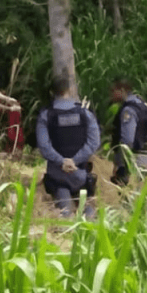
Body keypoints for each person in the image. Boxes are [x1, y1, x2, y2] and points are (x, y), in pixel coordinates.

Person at [36, 76, 100, 218]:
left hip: (57, 175)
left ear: (52, 92)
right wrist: (75, 160)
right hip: (80, 175)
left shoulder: (46, 115)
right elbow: (94, 142)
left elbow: (44, 146)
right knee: (88, 209)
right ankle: (91, 224)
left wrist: (62, 161)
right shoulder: (85, 114)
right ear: (71, 90)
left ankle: (65, 221)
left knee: (63, 209)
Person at [109, 79, 147, 186]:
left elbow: (127, 140)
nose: (111, 95)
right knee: (141, 195)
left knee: (128, 195)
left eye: (113, 91)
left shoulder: (129, 109)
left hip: (132, 159)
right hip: (146, 156)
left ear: (122, 90)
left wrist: (122, 163)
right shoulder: (142, 105)